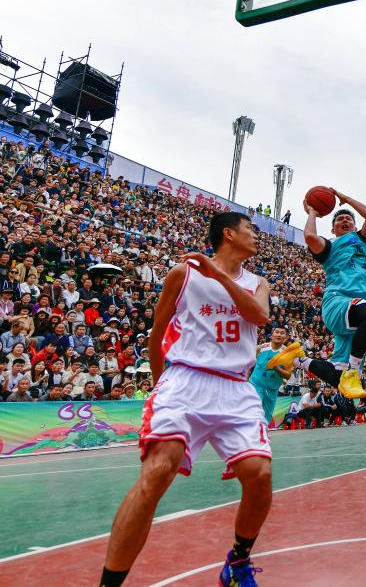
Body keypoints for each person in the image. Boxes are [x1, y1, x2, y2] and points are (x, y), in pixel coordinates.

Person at [101, 213, 272, 587]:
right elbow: (157, 334)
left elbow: (259, 315)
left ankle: (237, 561)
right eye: (250, 229)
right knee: (158, 471)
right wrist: (161, 384)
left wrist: (220, 277)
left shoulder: (258, 282)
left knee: (259, 475)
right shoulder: (183, 274)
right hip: (185, 378)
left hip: (235, 387)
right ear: (229, 234)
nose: (256, 236)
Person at [267, 189, 366, 400]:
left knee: (338, 376)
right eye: (340, 220)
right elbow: (310, 236)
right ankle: (352, 371)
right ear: (333, 229)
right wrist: (312, 212)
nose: (344, 220)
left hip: (361, 309)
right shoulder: (330, 246)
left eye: (348, 219)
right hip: (339, 301)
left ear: (355, 226)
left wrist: (346, 199)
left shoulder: (364, 241)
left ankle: (297, 359)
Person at [250, 327, 291, 425]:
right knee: (254, 408)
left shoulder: (287, 353)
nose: (279, 334)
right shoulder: (260, 348)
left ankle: (260, 432)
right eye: (277, 332)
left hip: (272, 389)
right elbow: (248, 364)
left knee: (266, 418)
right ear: (272, 335)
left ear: (286, 337)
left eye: (282, 333)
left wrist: (276, 367)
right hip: (255, 385)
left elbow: (288, 375)